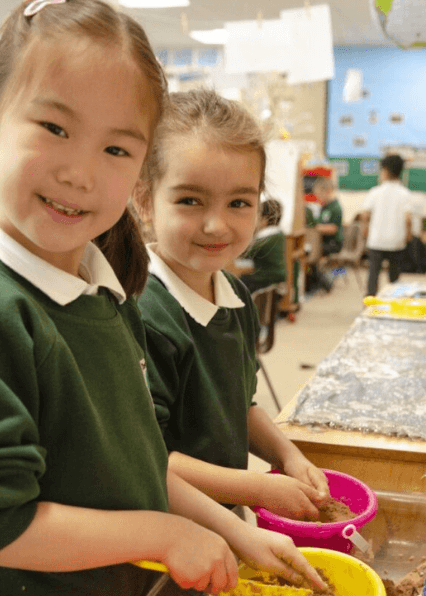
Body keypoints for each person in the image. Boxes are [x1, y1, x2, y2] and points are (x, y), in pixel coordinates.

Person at [0, 0, 327, 596]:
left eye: (116, 149)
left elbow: (141, 462)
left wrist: (235, 534)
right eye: (55, 129)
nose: (81, 174)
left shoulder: (106, 288)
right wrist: (162, 536)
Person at [135, 89, 332, 524]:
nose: (216, 225)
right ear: (145, 200)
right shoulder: (141, 312)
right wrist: (258, 486)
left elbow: (240, 405)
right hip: (162, 532)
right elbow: (148, 459)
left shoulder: (234, 295)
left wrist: (288, 455)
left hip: (222, 524)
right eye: (190, 200)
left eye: (239, 203)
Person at [362, 154, 412, 296]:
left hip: (377, 240)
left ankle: (370, 301)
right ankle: (393, 300)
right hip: (396, 241)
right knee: (394, 276)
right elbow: (408, 219)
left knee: (373, 274)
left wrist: (365, 230)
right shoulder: (405, 194)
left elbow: (365, 215)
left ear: (384, 171)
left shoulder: (375, 192)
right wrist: (408, 235)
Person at [239, 198, 287, 294]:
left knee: (239, 282)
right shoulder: (278, 234)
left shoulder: (264, 238)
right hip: (277, 277)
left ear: (264, 221)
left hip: (266, 278)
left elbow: (244, 253)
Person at [313, 176, 343, 256]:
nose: (318, 198)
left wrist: (315, 228)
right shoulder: (324, 207)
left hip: (333, 244)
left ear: (328, 191)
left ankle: (316, 268)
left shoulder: (335, 207)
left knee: (313, 249)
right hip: (322, 241)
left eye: (319, 195)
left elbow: (333, 228)